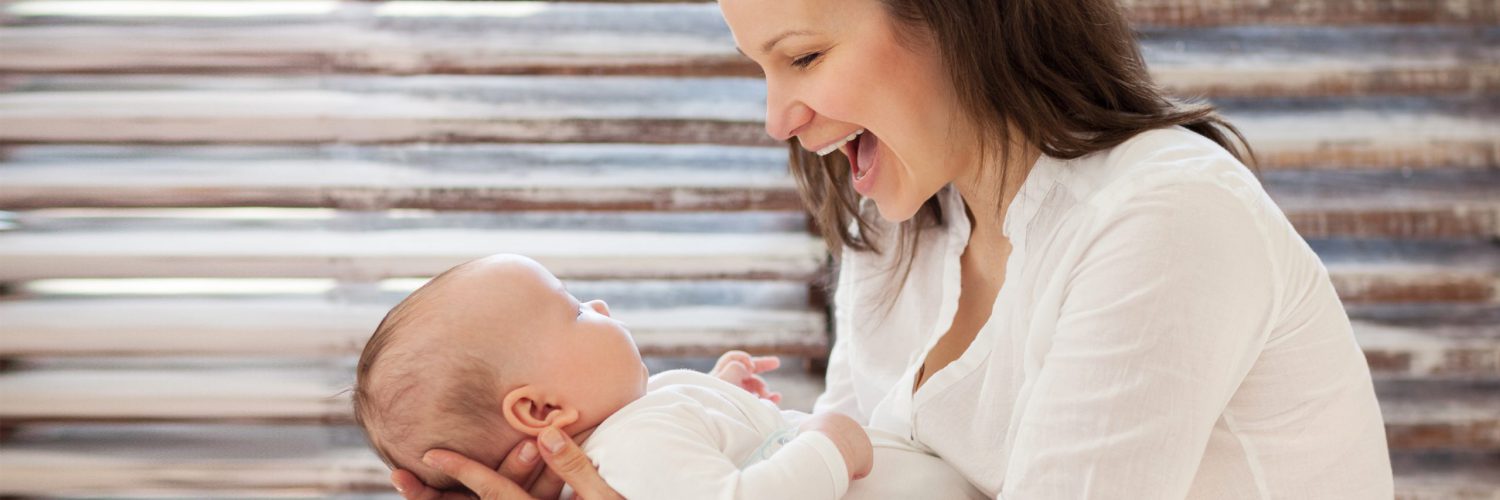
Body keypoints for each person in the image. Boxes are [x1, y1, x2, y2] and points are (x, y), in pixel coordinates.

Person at [395, 0, 1394, 497]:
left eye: (803, 56)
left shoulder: (1160, 222)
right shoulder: (901, 230)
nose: (779, 116)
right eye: (761, 68)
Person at [358, 254, 986, 499]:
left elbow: (712, 455)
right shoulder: (633, 448)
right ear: (542, 412)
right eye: (574, 309)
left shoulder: (642, 421)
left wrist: (723, 390)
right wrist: (830, 445)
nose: (600, 307)